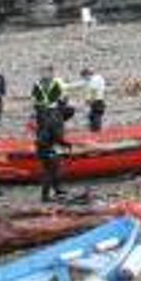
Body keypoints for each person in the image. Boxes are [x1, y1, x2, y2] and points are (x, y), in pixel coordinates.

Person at [31, 64, 69, 202]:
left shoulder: (50, 112)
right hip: (46, 143)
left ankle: (58, 190)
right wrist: (64, 143)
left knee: (54, 167)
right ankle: (46, 196)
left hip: (44, 141)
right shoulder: (53, 114)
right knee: (52, 168)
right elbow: (54, 131)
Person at [75, 67, 106, 132]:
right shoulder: (97, 78)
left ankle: (96, 132)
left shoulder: (94, 80)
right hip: (96, 102)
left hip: (97, 102)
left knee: (95, 118)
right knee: (92, 117)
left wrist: (88, 100)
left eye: (84, 76)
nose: (83, 78)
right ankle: (95, 131)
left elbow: (93, 90)